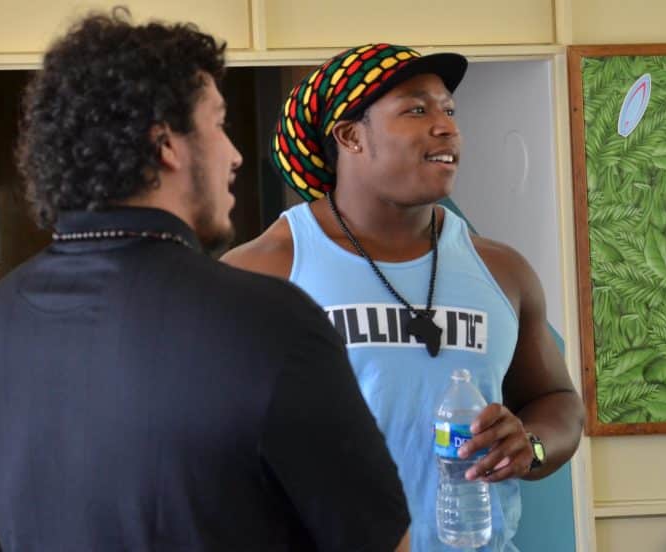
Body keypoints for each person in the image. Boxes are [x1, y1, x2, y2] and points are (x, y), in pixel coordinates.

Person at [0, 13, 413, 552]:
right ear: (166, 146)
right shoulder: (268, 322)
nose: (235, 154)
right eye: (217, 123)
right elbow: (382, 543)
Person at [223, 43, 586, 551]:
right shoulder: (264, 270)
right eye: (417, 109)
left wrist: (533, 444)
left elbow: (560, 401)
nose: (446, 126)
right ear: (350, 136)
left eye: (449, 110)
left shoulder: (502, 270)